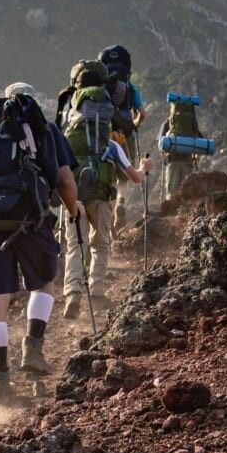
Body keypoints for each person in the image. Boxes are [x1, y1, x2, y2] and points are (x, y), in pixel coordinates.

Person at [0, 85, 84, 407]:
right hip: (31, 221)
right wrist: (72, 209)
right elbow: (65, 180)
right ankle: (33, 349)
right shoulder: (43, 129)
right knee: (43, 285)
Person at [57, 61, 150, 319]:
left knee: (76, 245)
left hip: (73, 195)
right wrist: (145, 167)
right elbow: (134, 177)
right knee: (101, 244)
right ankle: (96, 293)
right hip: (102, 196)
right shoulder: (110, 143)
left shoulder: (67, 135)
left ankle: (73, 293)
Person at [99, 45, 147, 234]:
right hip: (124, 135)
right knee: (124, 176)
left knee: (106, 176)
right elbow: (142, 113)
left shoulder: (100, 88)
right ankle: (121, 202)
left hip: (103, 134)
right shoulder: (130, 88)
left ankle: (108, 212)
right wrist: (134, 124)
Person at [160, 93, 205, 202]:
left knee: (172, 193)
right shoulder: (192, 124)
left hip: (172, 161)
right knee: (187, 192)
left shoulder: (168, 123)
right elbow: (200, 142)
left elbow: (161, 144)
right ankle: (185, 215)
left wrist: (163, 154)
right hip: (187, 161)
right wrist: (196, 156)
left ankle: (171, 214)